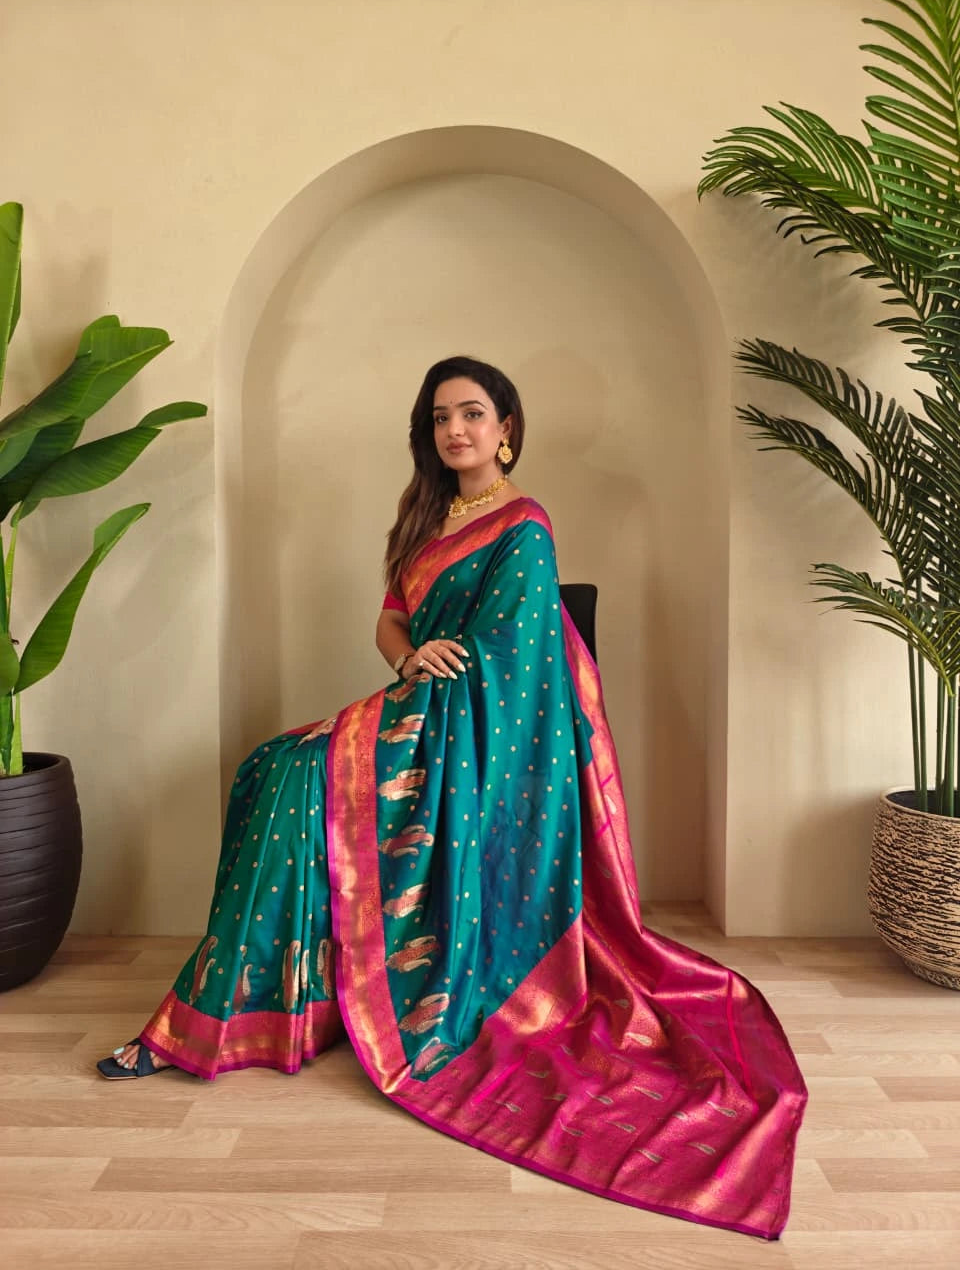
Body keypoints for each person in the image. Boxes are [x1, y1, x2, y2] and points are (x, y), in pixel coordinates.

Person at [97, 356, 806, 1239]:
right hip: (418, 704)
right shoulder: (426, 516)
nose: (455, 431)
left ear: (507, 427)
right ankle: (265, 1004)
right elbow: (392, 617)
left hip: (472, 735)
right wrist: (404, 660)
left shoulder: (524, 528)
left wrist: (415, 709)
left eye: (473, 414)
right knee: (270, 771)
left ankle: (237, 1013)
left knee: (290, 773)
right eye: (440, 419)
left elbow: (510, 665)